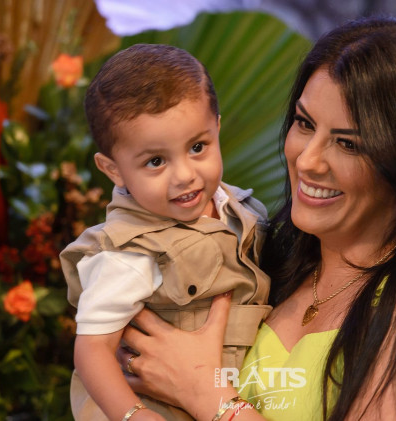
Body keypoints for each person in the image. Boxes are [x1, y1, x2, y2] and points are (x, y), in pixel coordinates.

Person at [115, 16, 396, 421]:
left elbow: (199, 386)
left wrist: (205, 394)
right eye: (305, 123)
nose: (308, 160)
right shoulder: (259, 261)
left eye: (348, 144)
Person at [59, 43, 272, 421]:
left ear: (217, 127)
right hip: (164, 407)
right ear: (113, 169)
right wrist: (134, 414)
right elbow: (92, 351)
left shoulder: (238, 208)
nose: (185, 175)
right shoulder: (129, 253)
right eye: (156, 161)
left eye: (198, 147)